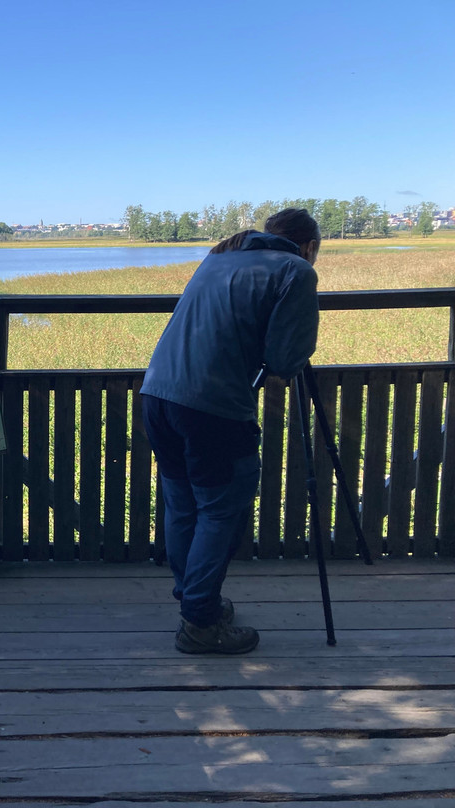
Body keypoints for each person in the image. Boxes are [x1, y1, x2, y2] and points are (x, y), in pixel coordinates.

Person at [140, 208, 321, 654]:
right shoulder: (295, 270)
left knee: (182, 505)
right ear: (310, 246)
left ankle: (195, 602)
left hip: (157, 396)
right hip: (213, 408)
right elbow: (283, 361)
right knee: (220, 511)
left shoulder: (218, 258)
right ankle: (200, 624)